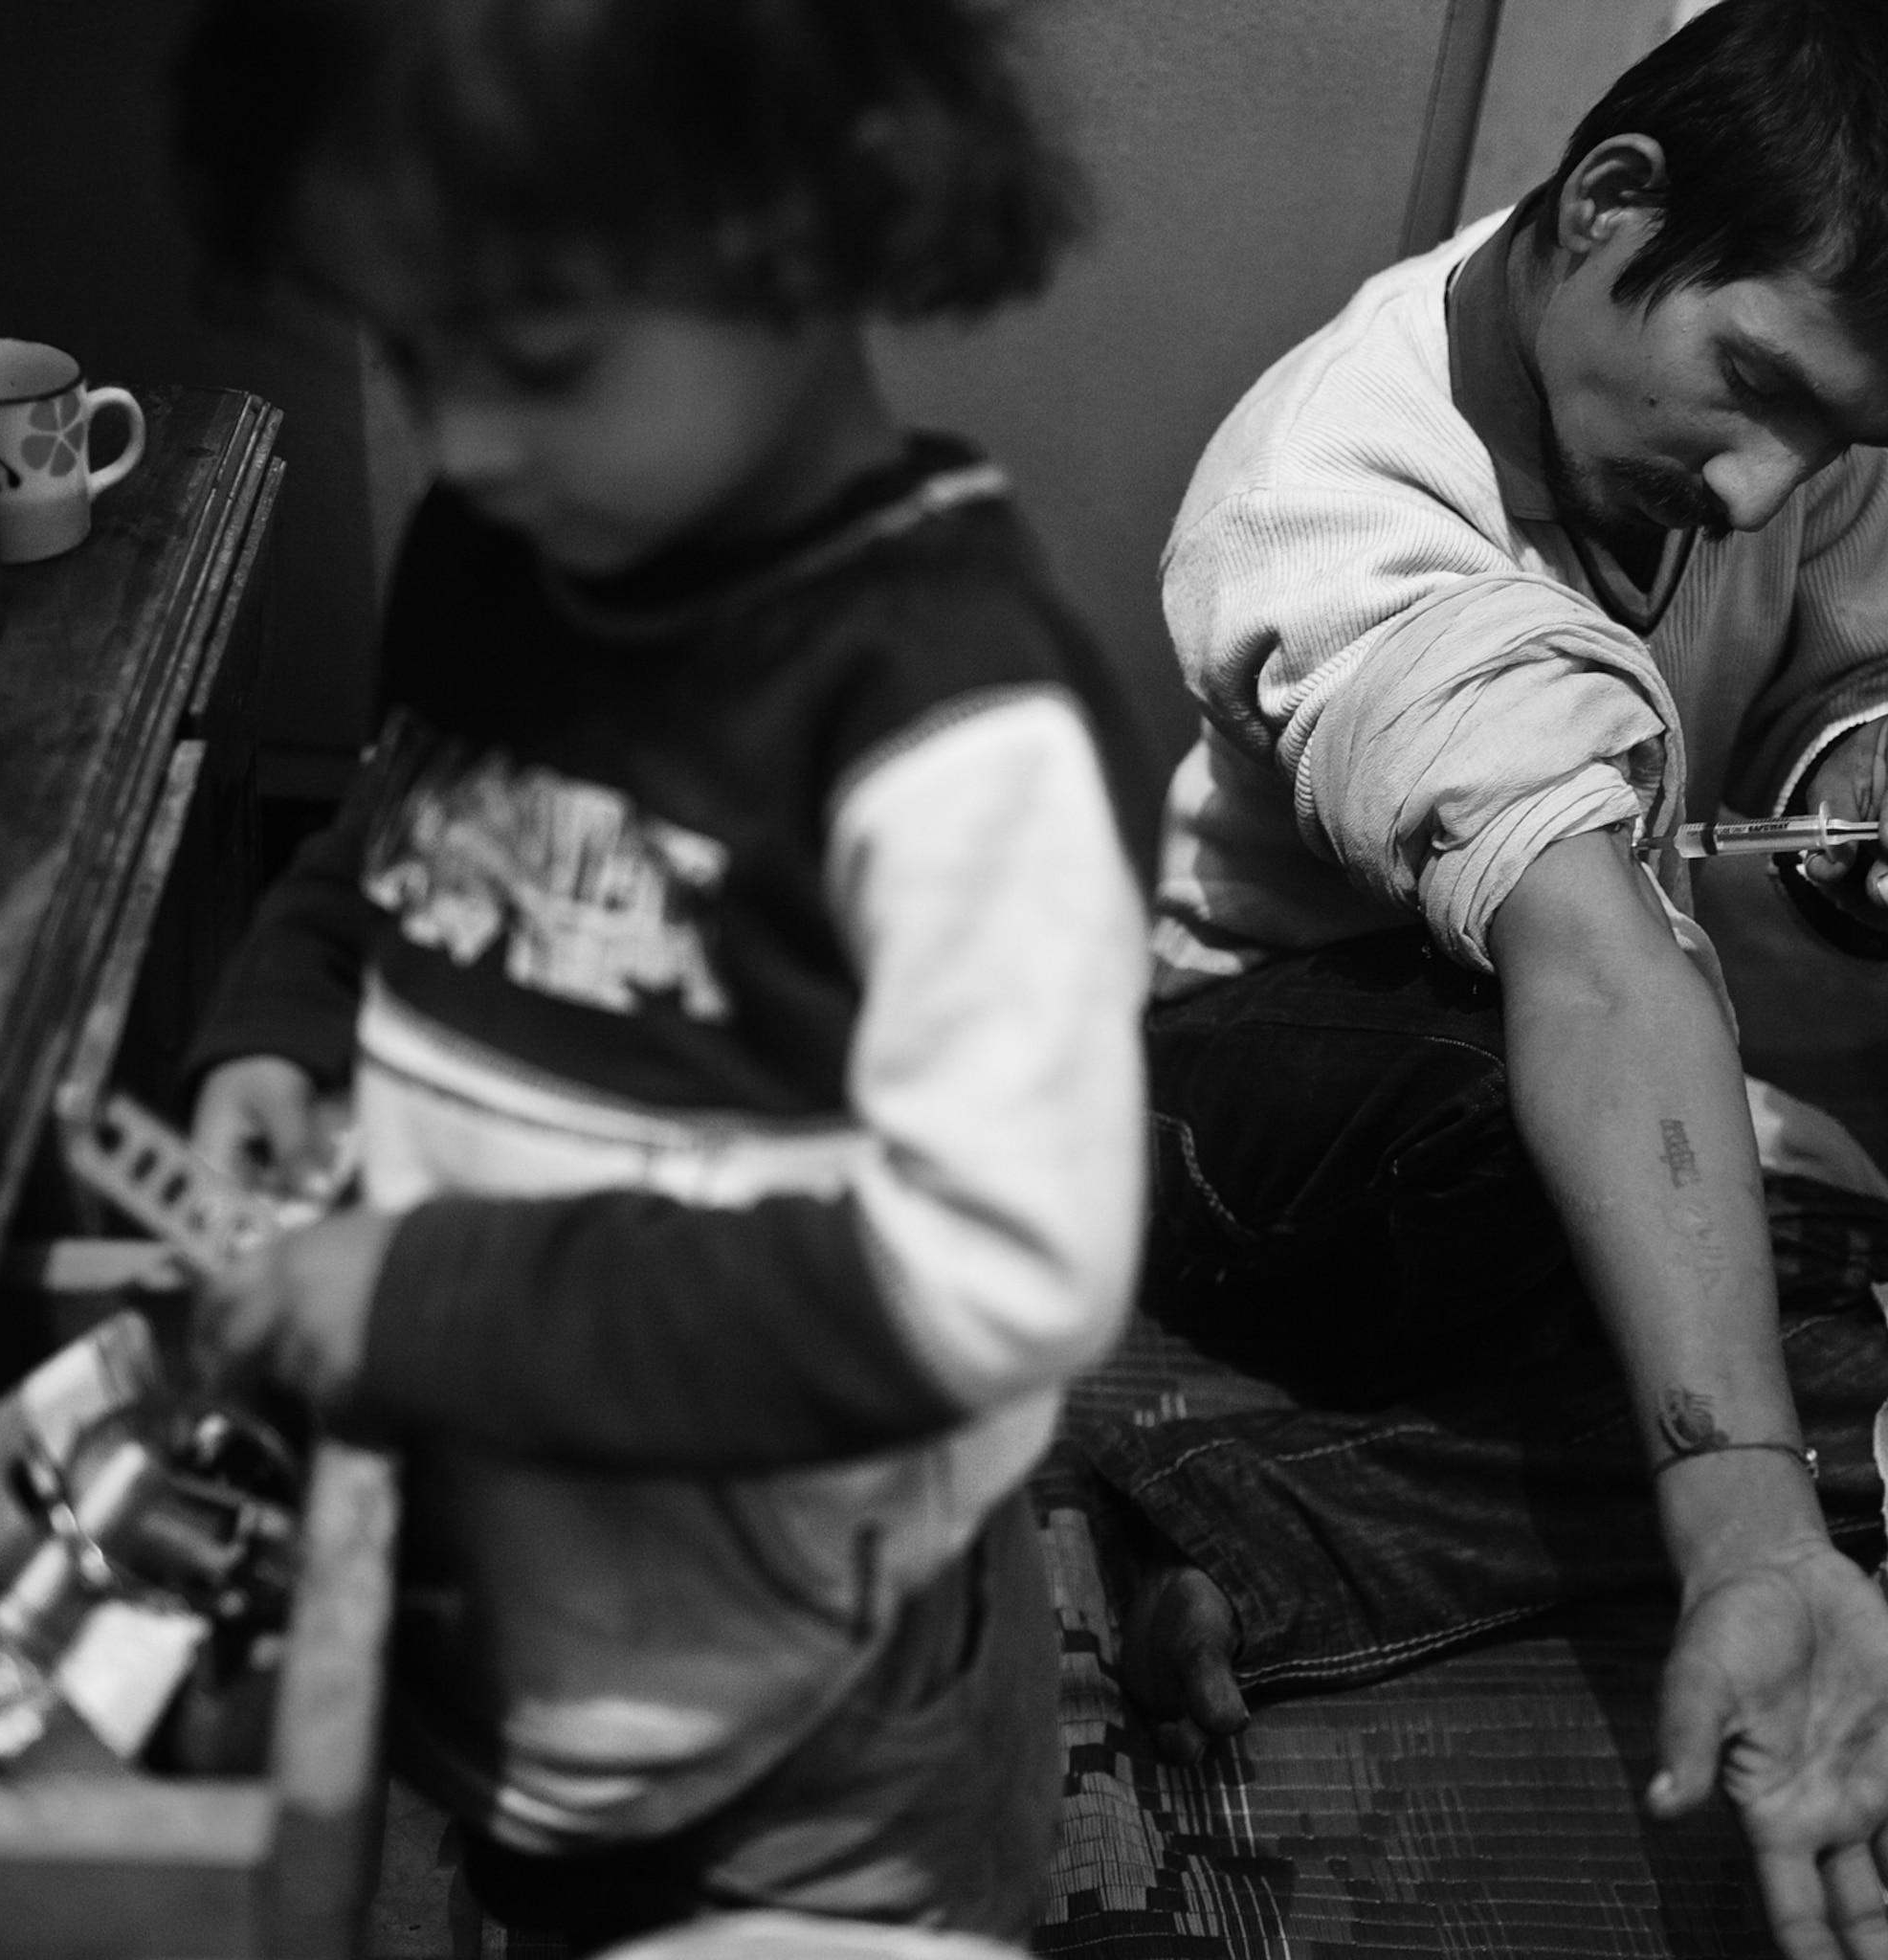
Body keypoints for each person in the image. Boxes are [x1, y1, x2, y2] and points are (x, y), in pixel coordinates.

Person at [1065, 2, 1888, 1957]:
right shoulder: (1343, 489)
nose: (1757, 496)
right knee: (1584, 1159)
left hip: (1573, 1049)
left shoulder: (1776, 422)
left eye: (1838, 444)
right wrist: (1747, 1516)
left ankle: (1250, 1538)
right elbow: (1599, 965)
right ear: (1611, 204)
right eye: (1752, 389)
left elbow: (1858, 665)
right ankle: (1691, 1479)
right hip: (1261, 1102)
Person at [167, 1, 1156, 1948]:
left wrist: (429, 1290)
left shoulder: (952, 729)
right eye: (411, 346)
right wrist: (285, 1022)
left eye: (536, 358)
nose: (460, 437)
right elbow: (403, 842)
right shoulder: (489, 545)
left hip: (815, 1726)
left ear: (813, 215)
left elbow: (1000, 1271)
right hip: (532, 1605)